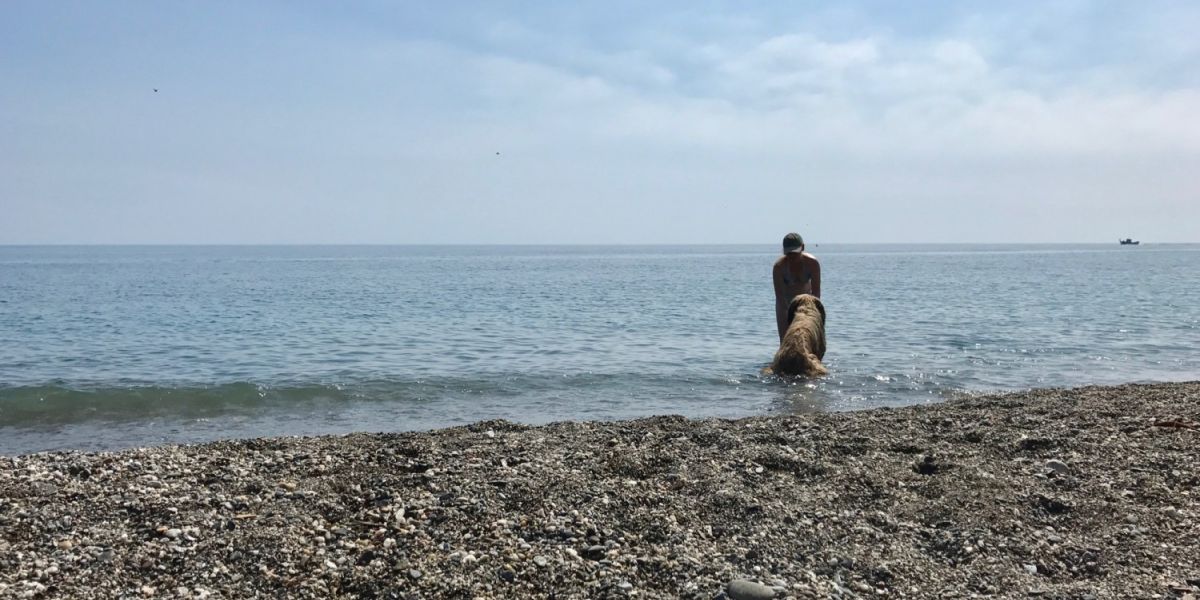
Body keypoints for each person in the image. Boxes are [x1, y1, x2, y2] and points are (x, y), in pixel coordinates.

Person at [773, 232, 821, 342]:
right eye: (788, 253)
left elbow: (816, 293)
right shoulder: (779, 267)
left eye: (794, 253)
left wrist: (809, 312)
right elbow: (779, 296)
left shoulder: (812, 264)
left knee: (808, 339)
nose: (792, 257)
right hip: (784, 303)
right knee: (785, 340)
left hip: (806, 303)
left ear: (802, 248)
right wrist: (787, 314)